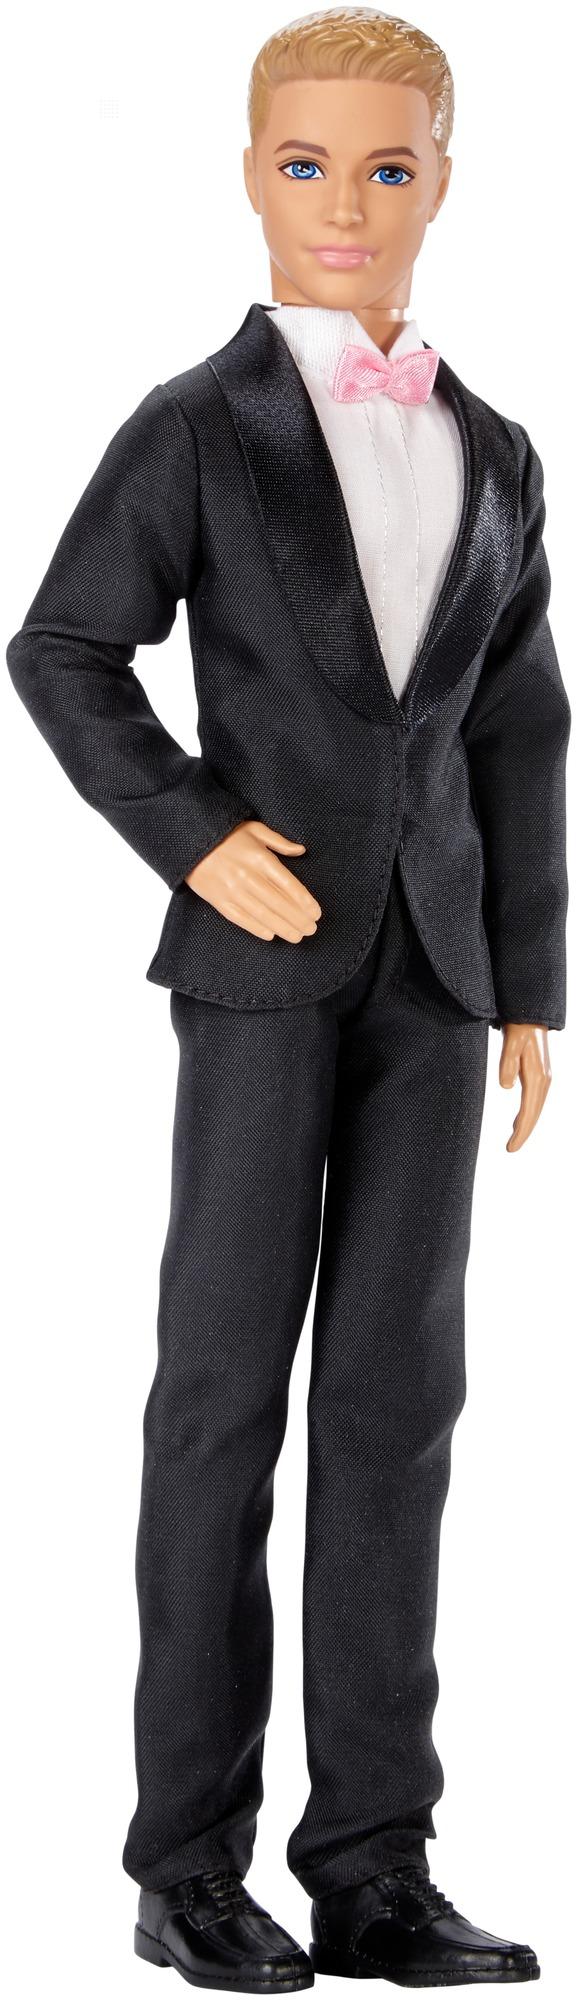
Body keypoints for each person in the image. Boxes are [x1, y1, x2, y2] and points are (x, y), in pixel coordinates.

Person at [6, 7, 570, 1988]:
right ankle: (185, 1864)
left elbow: (517, 722)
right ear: (251, 174)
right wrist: (190, 834)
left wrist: (529, 980)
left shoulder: (496, 448)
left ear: (442, 184)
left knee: (399, 1409)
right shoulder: (195, 425)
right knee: (221, 1400)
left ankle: (373, 1859)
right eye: (307, 163)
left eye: (387, 167)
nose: (346, 202)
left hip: (436, 975)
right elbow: (65, 645)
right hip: (259, 968)